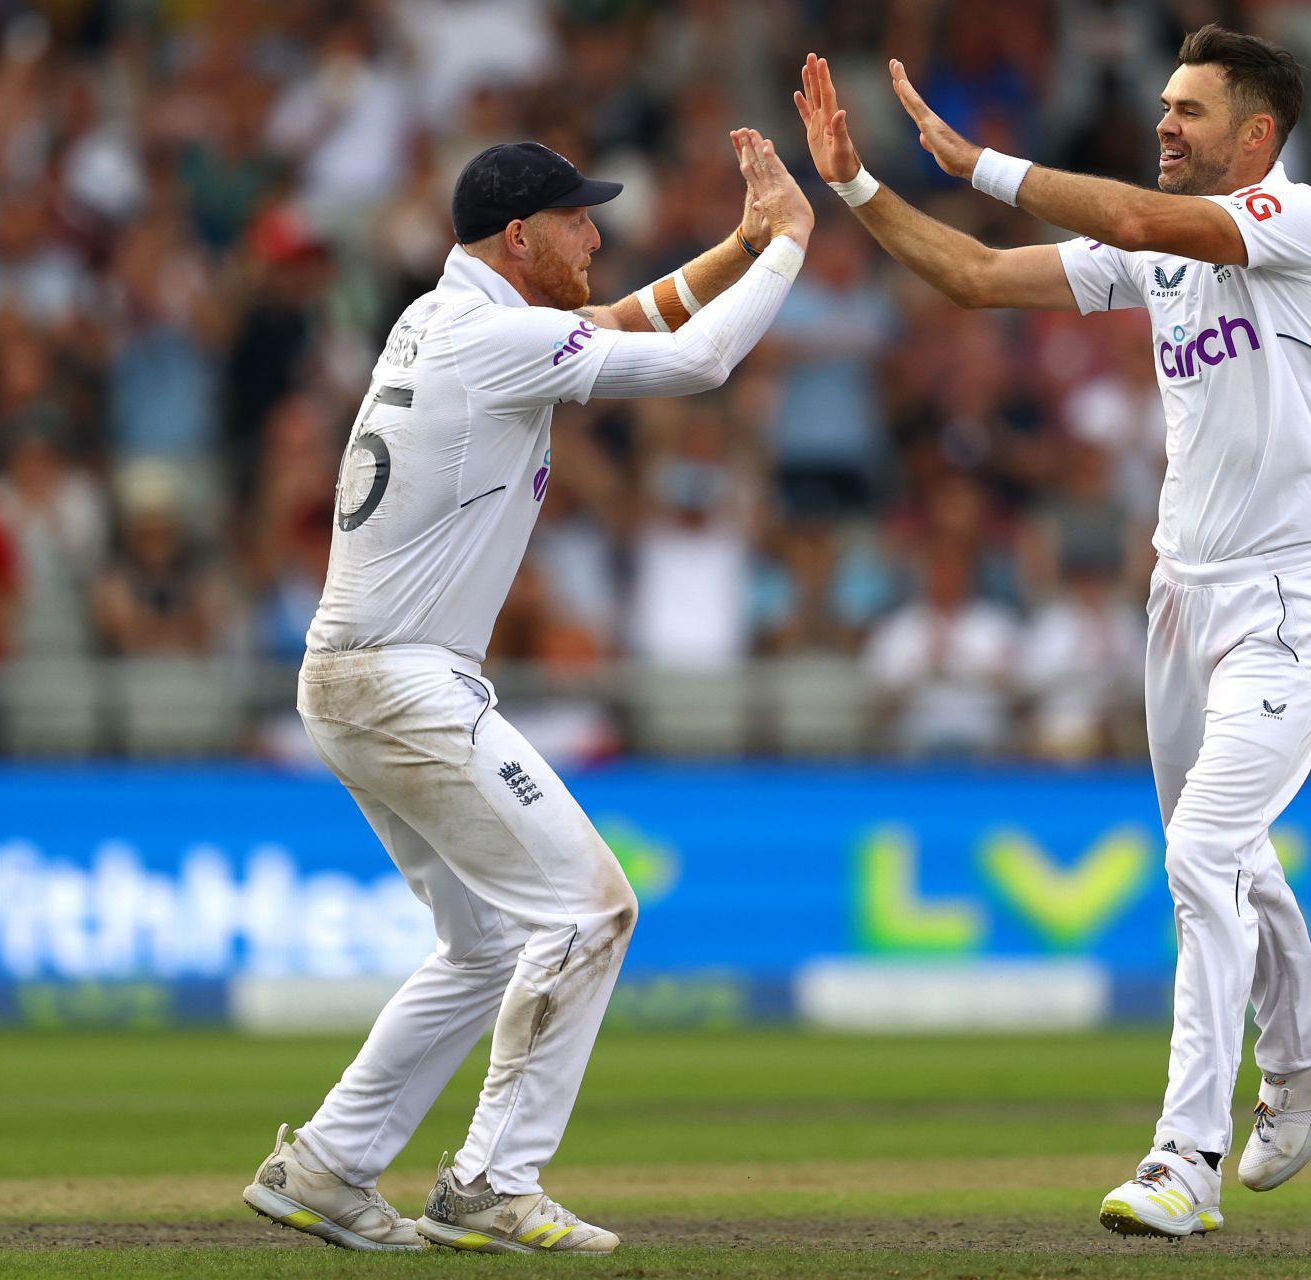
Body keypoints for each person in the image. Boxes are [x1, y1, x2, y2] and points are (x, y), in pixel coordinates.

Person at [794, 25, 1311, 1238]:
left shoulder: (1301, 222)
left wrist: (984, 162)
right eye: (1163, 106)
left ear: (1256, 137)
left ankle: (1184, 1157)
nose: (1165, 123)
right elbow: (969, 275)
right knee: (1219, 854)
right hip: (1182, 596)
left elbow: (1146, 224)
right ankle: (1309, 1044)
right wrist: (854, 182)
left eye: (1192, 111)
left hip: (1292, 595)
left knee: (1202, 850)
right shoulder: (1151, 254)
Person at [240, 132, 813, 1255]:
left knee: (490, 945)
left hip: (355, 674)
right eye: (579, 220)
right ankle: (491, 1180)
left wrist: (738, 241)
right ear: (520, 237)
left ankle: (327, 1164)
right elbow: (697, 365)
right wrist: (790, 246)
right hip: (405, 679)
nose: (596, 235)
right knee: (592, 908)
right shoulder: (490, 340)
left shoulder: (441, 317)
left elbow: (619, 326)